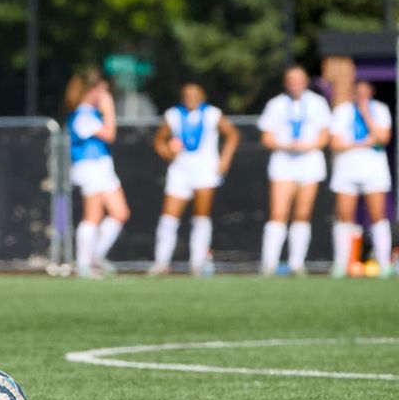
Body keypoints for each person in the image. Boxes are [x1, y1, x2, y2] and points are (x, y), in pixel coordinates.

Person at [148, 83, 240, 275]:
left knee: (201, 216)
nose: (191, 98)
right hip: (180, 170)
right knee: (169, 217)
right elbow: (159, 141)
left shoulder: (212, 113)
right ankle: (161, 262)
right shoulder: (174, 114)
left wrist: (225, 159)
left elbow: (232, 134)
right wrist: (168, 153)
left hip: (205, 170)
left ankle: (198, 262)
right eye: (187, 95)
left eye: (194, 94)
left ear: (202, 96)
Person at [257, 66, 332, 276]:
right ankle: (269, 263)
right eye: (291, 80)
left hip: (310, 163)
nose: (295, 84)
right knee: (278, 213)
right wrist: (286, 145)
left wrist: (308, 146)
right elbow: (266, 138)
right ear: (285, 82)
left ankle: (296, 263)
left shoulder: (318, 103)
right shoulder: (275, 104)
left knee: (303, 214)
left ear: (306, 81)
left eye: (299, 79)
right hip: (283, 163)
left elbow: (325, 135)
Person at [64, 69, 129, 278]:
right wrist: (109, 110)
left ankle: (96, 254)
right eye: (102, 91)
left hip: (103, 167)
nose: (105, 95)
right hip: (90, 167)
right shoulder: (82, 115)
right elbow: (109, 134)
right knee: (93, 216)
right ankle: (83, 263)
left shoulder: (91, 114)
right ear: (91, 91)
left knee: (120, 213)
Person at [329, 80, 394, 278]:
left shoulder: (380, 110)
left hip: (373, 169)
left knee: (378, 215)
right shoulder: (342, 111)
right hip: (346, 169)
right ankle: (341, 264)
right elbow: (335, 143)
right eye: (358, 92)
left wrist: (367, 115)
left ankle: (384, 264)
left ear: (371, 93)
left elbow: (382, 138)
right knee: (344, 216)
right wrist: (363, 143)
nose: (361, 96)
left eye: (365, 92)